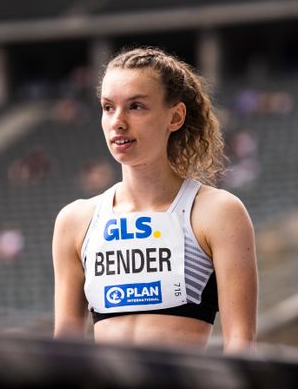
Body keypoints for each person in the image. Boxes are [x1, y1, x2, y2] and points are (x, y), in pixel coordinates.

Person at [52, 47, 258, 353]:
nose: (118, 122)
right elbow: (64, 349)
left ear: (174, 117)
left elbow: (240, 346)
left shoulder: (217, 212)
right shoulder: (75, 220)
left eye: (136, 106)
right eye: (108, 107)